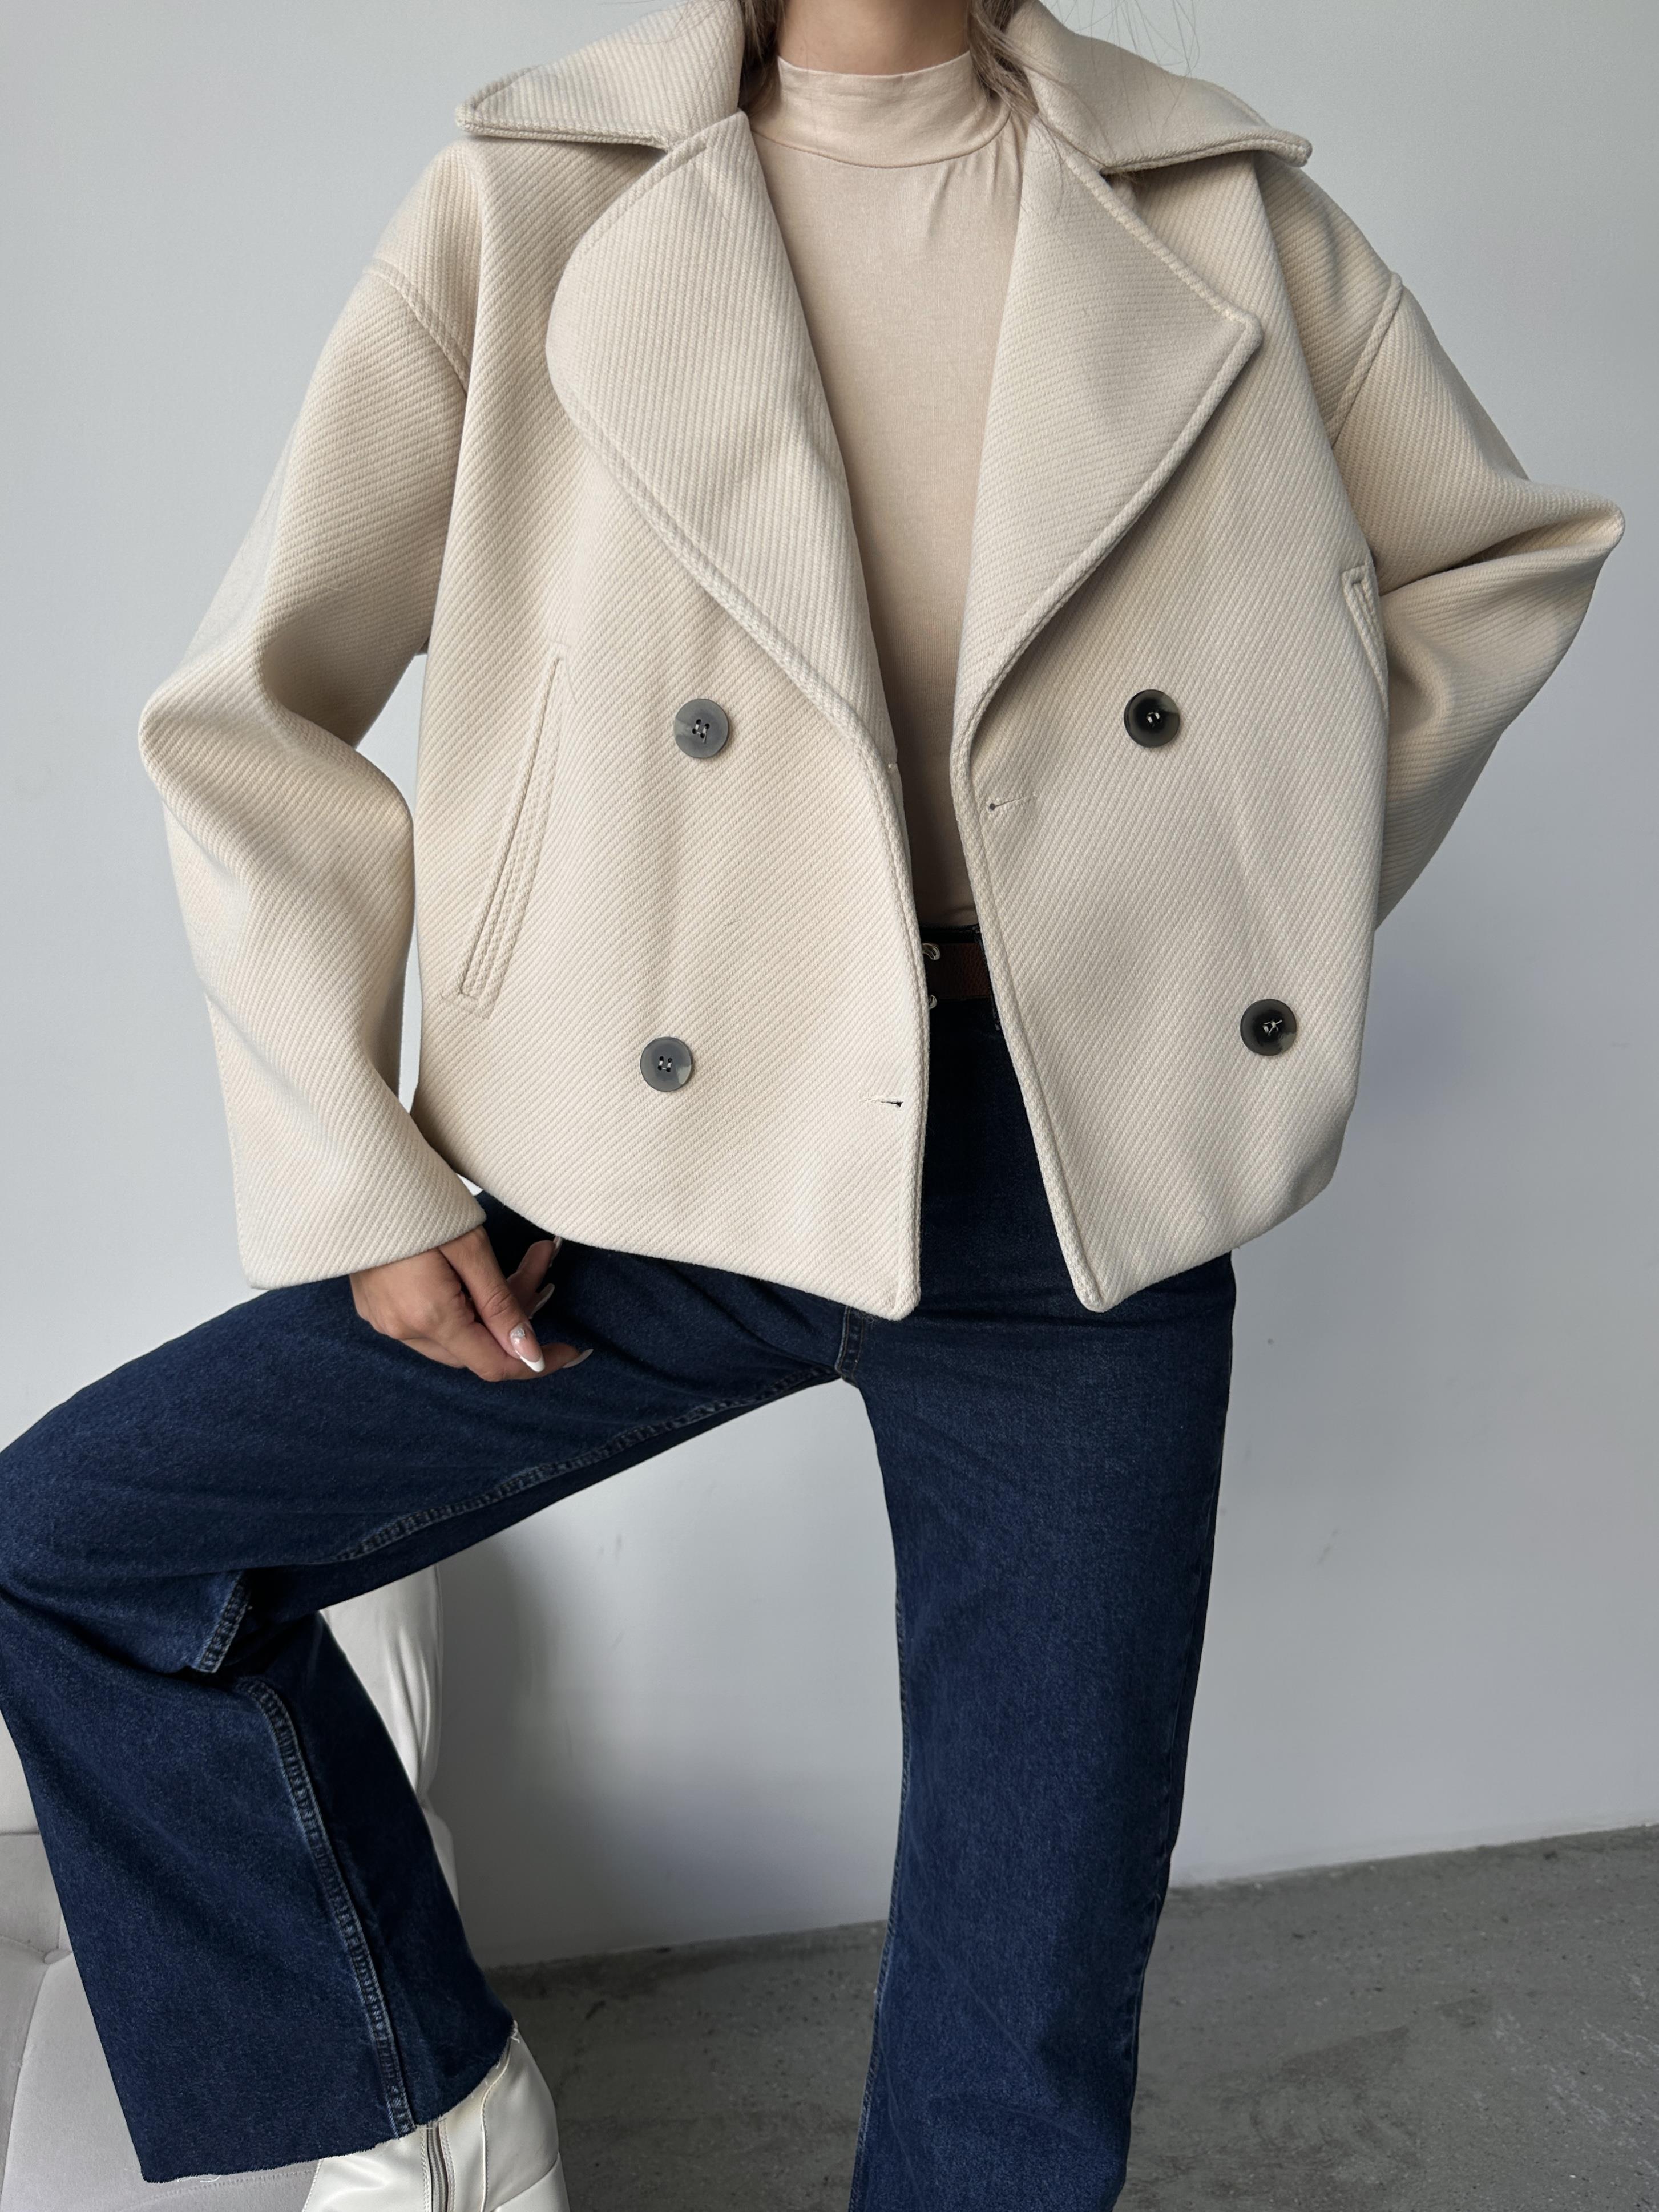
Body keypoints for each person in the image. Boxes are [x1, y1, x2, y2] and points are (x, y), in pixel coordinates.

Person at [0, 0, 1622, 2206]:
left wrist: (1239, 881)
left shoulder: (1210, 208)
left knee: (1028, 1963)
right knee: (90, 1547)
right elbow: (251, 711)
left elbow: (1496, 557)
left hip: (1075, 1167)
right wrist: (356, 1164)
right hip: (639, 1154)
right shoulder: (532, 200)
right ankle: (425, 2107)